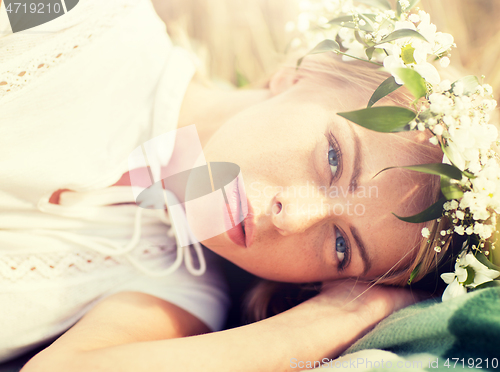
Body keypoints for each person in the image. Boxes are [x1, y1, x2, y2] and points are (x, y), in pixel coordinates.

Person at [0, 0, 497, 371]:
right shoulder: (83, 23)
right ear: (297, 76)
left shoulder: (179, 293)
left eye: (342, 245)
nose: (292, 217)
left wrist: (338, 318)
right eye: (333, 157)